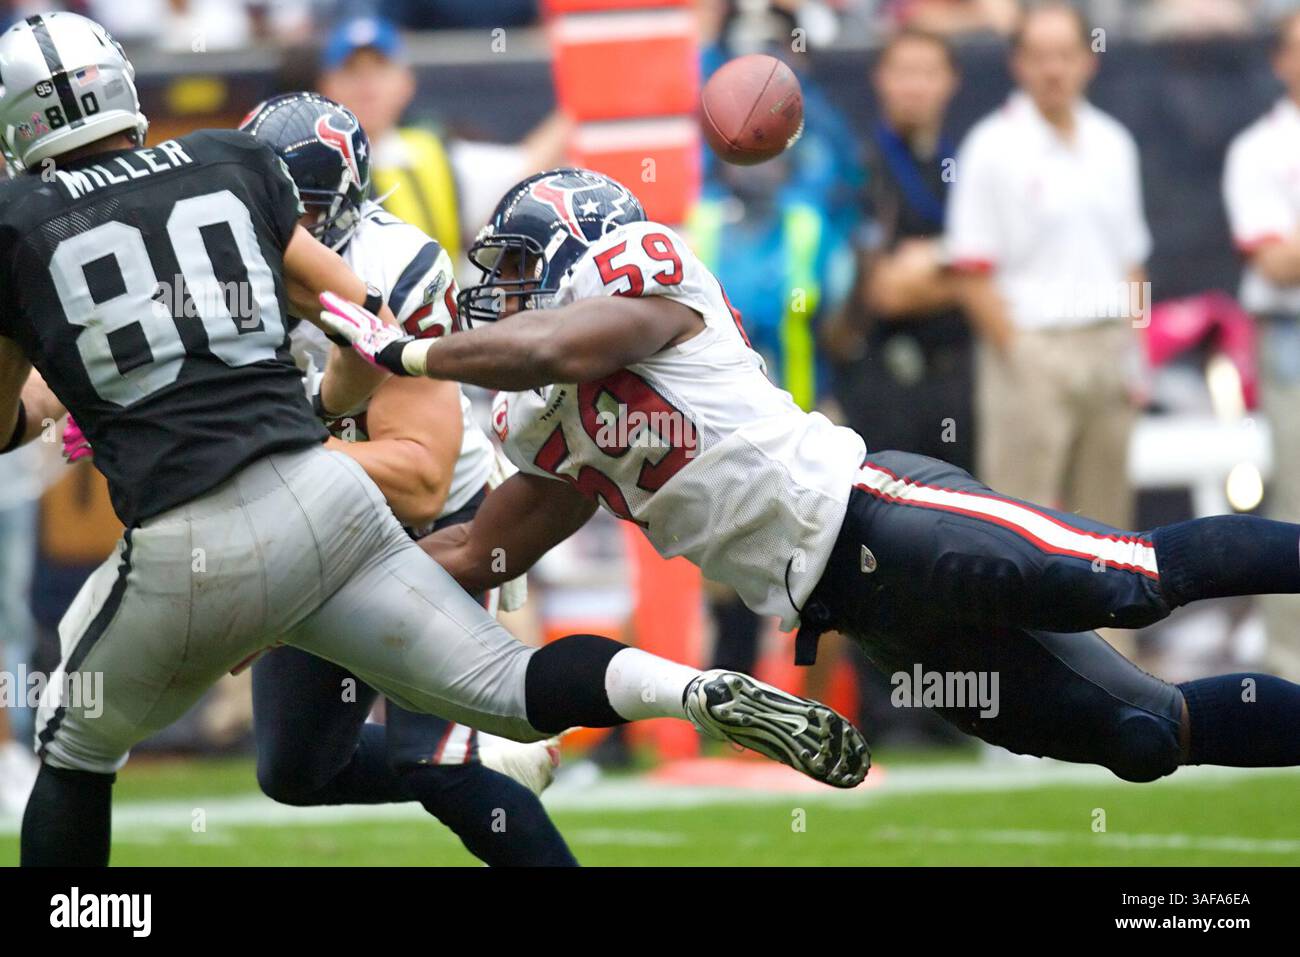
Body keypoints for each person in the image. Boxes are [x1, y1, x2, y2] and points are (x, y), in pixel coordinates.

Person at [1, 13, 866, 867]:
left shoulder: (32, 224)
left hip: (318, 513)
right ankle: (686, 690)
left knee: (73, 739)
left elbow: (408, 461)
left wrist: (144, 414)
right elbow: (351, 323)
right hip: (325, 507)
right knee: (435, 716)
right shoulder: (221, 173)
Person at [321, 166, 1300, 785]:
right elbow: (479, 549)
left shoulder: (642, 284)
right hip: (853, 610)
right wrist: (320, 589)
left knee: (1123, 581)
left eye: (520, 266)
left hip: (881, 515)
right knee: (1141, 738)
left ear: (580, 254)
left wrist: (409, 356)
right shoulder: (547, 421)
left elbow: (560, 347)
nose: (498, 292)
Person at [242, 92, 571, 865]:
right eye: (269, 204)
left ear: (347, 203)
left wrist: (260, 450)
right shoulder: (217, 267)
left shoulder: (391, 267)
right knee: (294, 769)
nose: (286, 228)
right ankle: (489, 757)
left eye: (306, 209)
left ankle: (470, 759)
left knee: (433, 759)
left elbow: (419, 477)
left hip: (432, 522)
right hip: (318, 511)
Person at [947, 2, 1149, 529]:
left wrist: (1137, 349)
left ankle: (1108, 619)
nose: (1053, 69)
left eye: (1065, 55)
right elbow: (970, 273)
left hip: (1108, 349)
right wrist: (1020, 354)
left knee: (1111, 529)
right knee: (1021, 525)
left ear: (1089, 60)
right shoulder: (991, 147)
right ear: (1017, 64)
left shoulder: (1114, 142)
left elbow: (1132, 260)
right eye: (1039, 56)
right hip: (1032, 350)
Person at [828, 26, 973, 472]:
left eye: (929, 72)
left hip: (958, 383)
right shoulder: (858, 170)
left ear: (952, 81)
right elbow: (883, 291)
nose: (915, 86)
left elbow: (1008, 274)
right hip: (880, 383)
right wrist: (965, 277)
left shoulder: (968, 165)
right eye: (904, 72)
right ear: (880, 78)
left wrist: (935, 264)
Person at [316, 15, 567, 263]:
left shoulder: (432, 153)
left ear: (406, 82)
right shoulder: (313, 168)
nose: (367, 85)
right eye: (352, 71)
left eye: (379, 68)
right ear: (326, 85)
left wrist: (582, 106)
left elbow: (526, 167)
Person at [1221, 10, 1300, 682]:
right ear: (1279, 61)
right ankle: (1289, 668)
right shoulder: (1259, 149)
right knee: (1296, 504)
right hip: (1292, 333)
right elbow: (1275, 263)